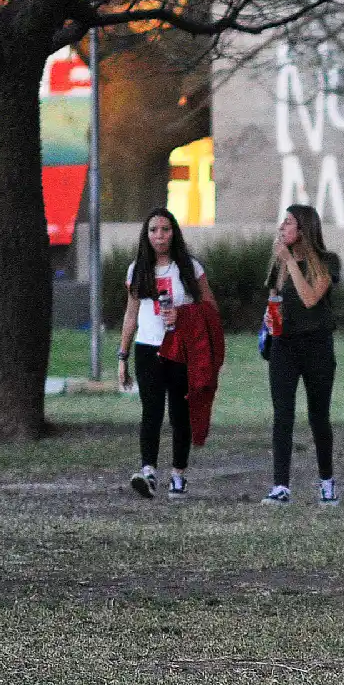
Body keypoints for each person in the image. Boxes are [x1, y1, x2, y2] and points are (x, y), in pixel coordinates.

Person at [118, 208, 218, 499]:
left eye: (165, 229)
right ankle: (148, 471)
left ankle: (178, 474)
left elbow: (209, 308)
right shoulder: (137, 268)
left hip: (181, 348)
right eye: (153, 230)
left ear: (174, 232)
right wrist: (122, 356)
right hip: (148, 347)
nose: (159, 236)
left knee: (179, 412)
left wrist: (183, 315)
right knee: (151, 410)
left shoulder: (190, 268)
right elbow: (131, 313)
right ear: (146, 235)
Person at [260, 204, 342, 507]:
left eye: (289, 222)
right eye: (283, 221)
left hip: (317, 346)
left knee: (318, 417)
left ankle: (326, 482)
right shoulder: (279, 263)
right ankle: (280, 486)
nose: (282, 227)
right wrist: (269, 318)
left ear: (304, 229)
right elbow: (274, 298)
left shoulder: (327, 262)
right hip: (284, 346)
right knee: (282, 415)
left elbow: (309, 299)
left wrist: (290, 262)